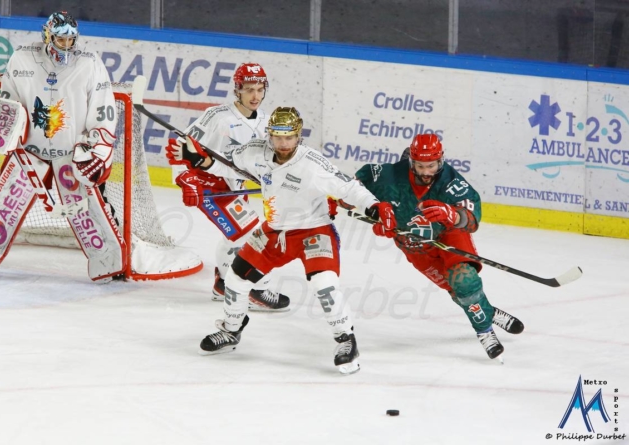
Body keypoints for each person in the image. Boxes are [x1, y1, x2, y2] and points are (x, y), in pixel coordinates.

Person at [167, 106, 396, 374]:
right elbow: (229, 164)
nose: (283, 143)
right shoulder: (255, 151)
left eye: (289, 137)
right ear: (270, 135)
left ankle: (346, 340)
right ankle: (231, 331)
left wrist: (374, 206)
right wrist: (202, 161)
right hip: (275, 231)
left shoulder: (313, 164)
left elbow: (349, 188)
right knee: (235, 278)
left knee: (324, 286)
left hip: (314, 231)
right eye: (277, 137)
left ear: (298, 135)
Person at [0, 11, 125, 282]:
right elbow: (9, 101)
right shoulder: (22, 57)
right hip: (30, 151)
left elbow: (103, 108)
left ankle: (109, 264)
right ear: (48, 35)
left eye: (71, 41)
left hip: (72, 154)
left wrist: (99, 151)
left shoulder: (90, 63)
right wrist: (8, 130)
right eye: (61, 40)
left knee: (88, 210)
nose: (67, 46)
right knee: (5, 203)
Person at [354, 134, 524, 361]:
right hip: (414, 246)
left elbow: (472, 218)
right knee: (458, 292)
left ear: (440, 161)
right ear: (411, 161)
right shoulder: (387, 176)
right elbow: (352, 188)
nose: (426, 171)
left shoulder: (451, 181)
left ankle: (485, 332)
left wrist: (453, 215)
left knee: (463, 280)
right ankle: (489, 312)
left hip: (449, 235)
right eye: (420, 165)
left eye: (431, 165)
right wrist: (374, 212)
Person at [166, 62, 291, 312]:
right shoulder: (217, 116)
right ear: (237, 90)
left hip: (234, 186)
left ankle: (223, 284)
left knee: (233, 234)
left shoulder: (266, 120)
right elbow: (178, 145)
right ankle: (255, 288)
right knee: (254, 234)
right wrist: (184, 178)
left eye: (259, 89)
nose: (255, 96)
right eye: (249, 90)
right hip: (209, 185)